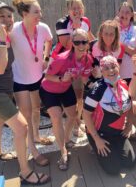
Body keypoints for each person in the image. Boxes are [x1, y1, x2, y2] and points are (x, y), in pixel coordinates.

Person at [0, 1, 50, 185]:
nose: (7, 19)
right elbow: (0, 68)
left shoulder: (8, 35)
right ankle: (25, 172)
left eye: (9, 16)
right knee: (22, 127)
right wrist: (2, 40)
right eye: (1, 16)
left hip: (4, 91)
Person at [40, 29, 93, 170]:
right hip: (49, 90)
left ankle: (67, 138)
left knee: (73, 115)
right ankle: (63, 151)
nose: (81, 45)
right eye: (77, 42)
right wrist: (60, 78)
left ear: (88, 43)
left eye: (84, 41)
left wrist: (95, 85)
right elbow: (46, 76)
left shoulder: (88, 59)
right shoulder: (61, 59)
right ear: (72, 44)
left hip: (65, 89)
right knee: (56, 118)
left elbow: (85, 78)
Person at [11, 0, 53, 166]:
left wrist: (46, 57)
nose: (40, 15)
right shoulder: (13, 30)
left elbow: (50, 41)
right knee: (26, 115)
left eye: (40, 11)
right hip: (19, 79)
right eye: (36, 12)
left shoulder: (42, 28)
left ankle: (36, 136)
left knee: (36, 108)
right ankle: (33, 150)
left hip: (37, 76)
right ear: (24, 13)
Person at [83, 55, 136, 175]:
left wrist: (129, 125)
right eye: (106, 68)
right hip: (100, 134)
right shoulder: (97, 89)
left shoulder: (123, 84)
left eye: (113, 67)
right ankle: (94, 146)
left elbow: (130, 105)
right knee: (113, 169)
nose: (111, 71)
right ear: (101, 71)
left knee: (130, 163)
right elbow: (85, 115)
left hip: (118, 132)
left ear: (118, 67)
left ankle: (114, 150)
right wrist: (97, 139)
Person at [55, 0, 95, 137]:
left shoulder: (86, 21)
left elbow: (90, 37)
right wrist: (76, 29)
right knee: (70, 98)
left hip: (82, 63)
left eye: (79, 7)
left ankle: (78, 121)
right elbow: (66, 45)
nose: (77, 11)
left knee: (80, 96)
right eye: (74, 8)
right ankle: (75, 124)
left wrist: (99, 47)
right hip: (65, 65)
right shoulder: (62, 23)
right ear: (68, 9)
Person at [117, 2, 136, 85]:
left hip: (131, 72)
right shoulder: (113, 29)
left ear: (132, 15)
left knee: (131, 97)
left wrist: (124, 47)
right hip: (114, 72)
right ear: (118, 13)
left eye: (127, 12)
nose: (124, 15)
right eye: (122, 12)